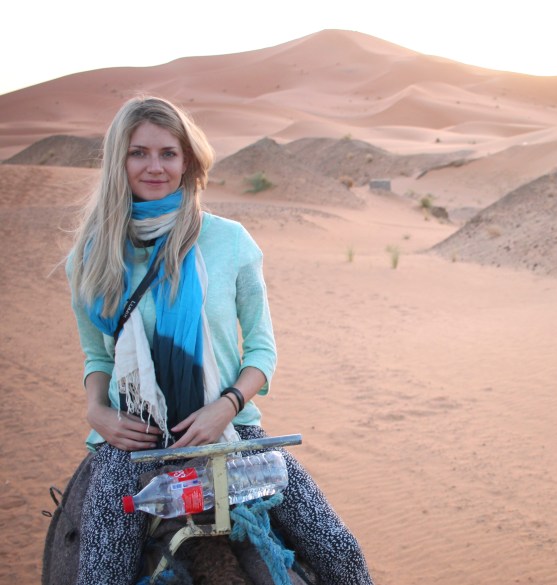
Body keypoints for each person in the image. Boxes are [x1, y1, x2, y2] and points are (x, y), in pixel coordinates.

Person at [67, 95, 373, 585]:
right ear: (117, 161)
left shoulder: (230, 242)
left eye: (168, 153)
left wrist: (226, 406)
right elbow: (96, 356)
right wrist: (97, 413)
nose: (154, 166)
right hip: (135, 443)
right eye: (138, 152)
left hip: (233, 434)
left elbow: (261, 352)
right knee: (99, 574)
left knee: (341, 552)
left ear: (187, 160)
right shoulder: (91, 256)